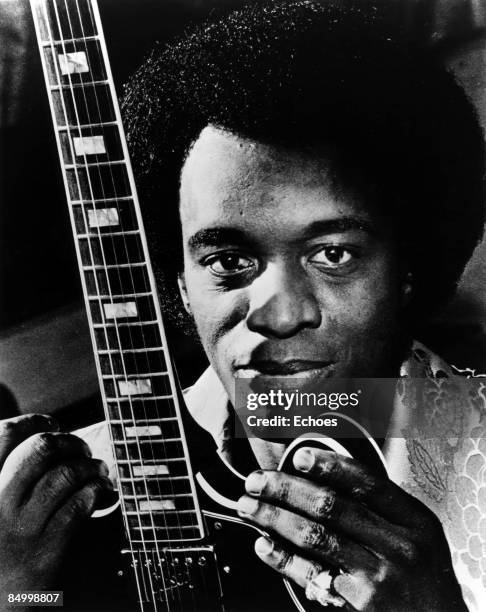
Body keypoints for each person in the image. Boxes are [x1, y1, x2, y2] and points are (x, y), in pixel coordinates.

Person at [0, 1, 485, 610]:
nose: (279, 315)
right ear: (177, 280)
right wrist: (16, 597)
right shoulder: (57, 500)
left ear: (409, 272)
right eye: (228, 261)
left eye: (333, 255)